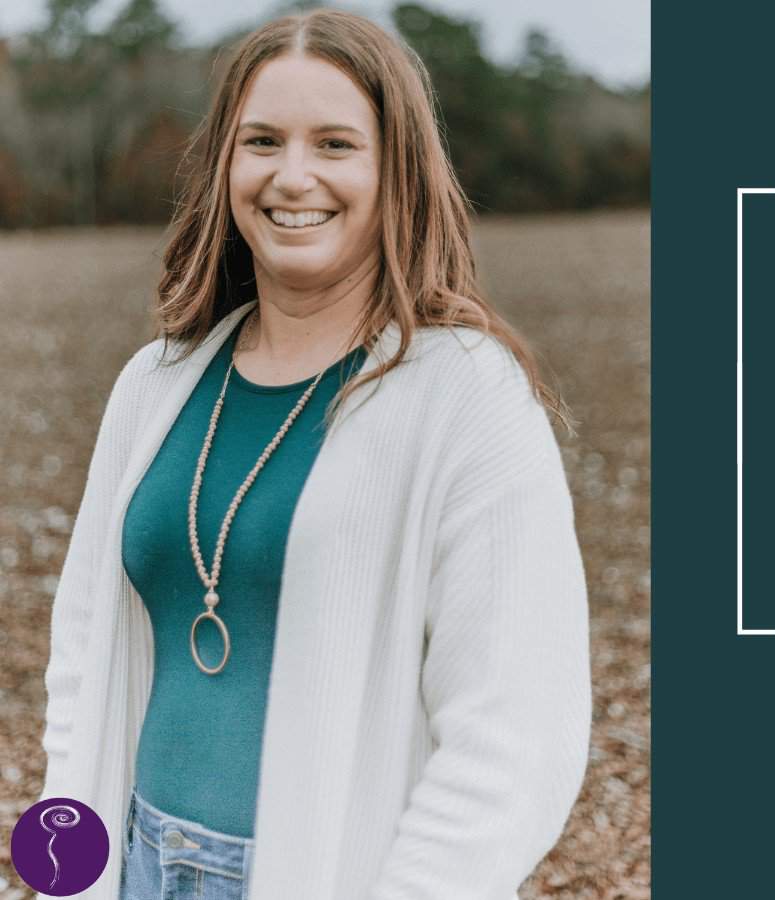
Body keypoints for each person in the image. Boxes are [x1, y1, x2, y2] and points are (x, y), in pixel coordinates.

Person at [36, 10, 592, 900]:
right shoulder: (157, 382)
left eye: (335, 144)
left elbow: (516, 735)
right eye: (263, 141)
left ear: (394, 170)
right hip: (133, 863)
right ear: (225, 164)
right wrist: (61, 873)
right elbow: (80, 653)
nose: (293, 176)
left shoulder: (466, 395)